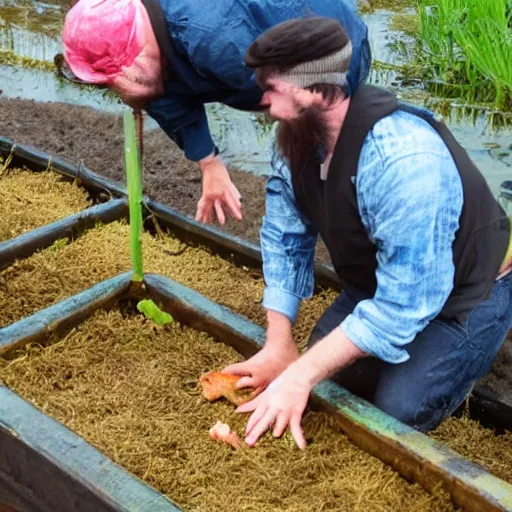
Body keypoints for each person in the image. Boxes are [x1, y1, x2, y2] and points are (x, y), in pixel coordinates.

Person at [221, 17, 512, 449]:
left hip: (465, 293)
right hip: (383, 281)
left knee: (398, 410)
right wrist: (280, 344)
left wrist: (301, 373)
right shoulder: (295, 139)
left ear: (315, 91)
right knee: (331, 374)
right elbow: (286, 239)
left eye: (272, 89)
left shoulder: (404, 162)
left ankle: (470, 354)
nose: (261, 100)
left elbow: (405, 303)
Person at [60, 0, 371, 226]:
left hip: (334, 54)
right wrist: (209, 163)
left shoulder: (216, 40)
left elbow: (299, 99)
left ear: (135, 57)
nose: (114, 92)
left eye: (113, 81)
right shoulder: (146, 37)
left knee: (326, 165)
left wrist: (318, 140)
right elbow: (164, 100)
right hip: (266, 70)